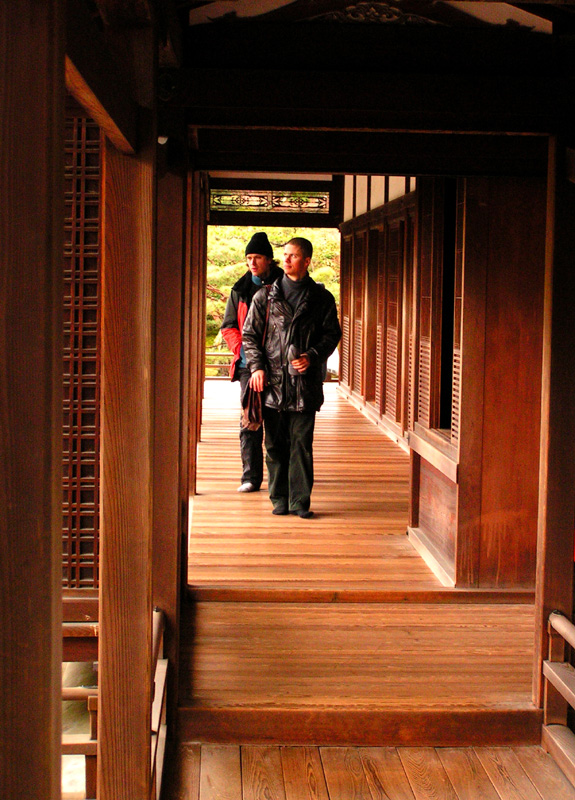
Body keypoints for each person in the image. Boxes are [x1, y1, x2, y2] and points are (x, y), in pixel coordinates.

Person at [242, 237, 341, 518]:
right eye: (284, 255)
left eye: (293, 256)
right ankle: (279, 497)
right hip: (272, 381)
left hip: (304, 383)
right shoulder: (266, 296)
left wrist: (311, 355)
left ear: (306, 261)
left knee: (301, 444)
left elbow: (332, 334)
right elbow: (249, 336)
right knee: (274, 444)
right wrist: (257, 367)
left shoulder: (321, 298)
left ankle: (300, 501)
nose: (286, 260)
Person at [220, 231, 283, 493]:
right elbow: (228, 326)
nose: (252, 263)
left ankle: (282, 478)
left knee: (280, 424)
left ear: (269, 259)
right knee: (251, 420)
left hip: (280, 366)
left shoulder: (286, 284)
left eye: (257, 257)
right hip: (249, 365)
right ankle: (250, 476)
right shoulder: (240, 289)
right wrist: (243, 351)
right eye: (248, 258)